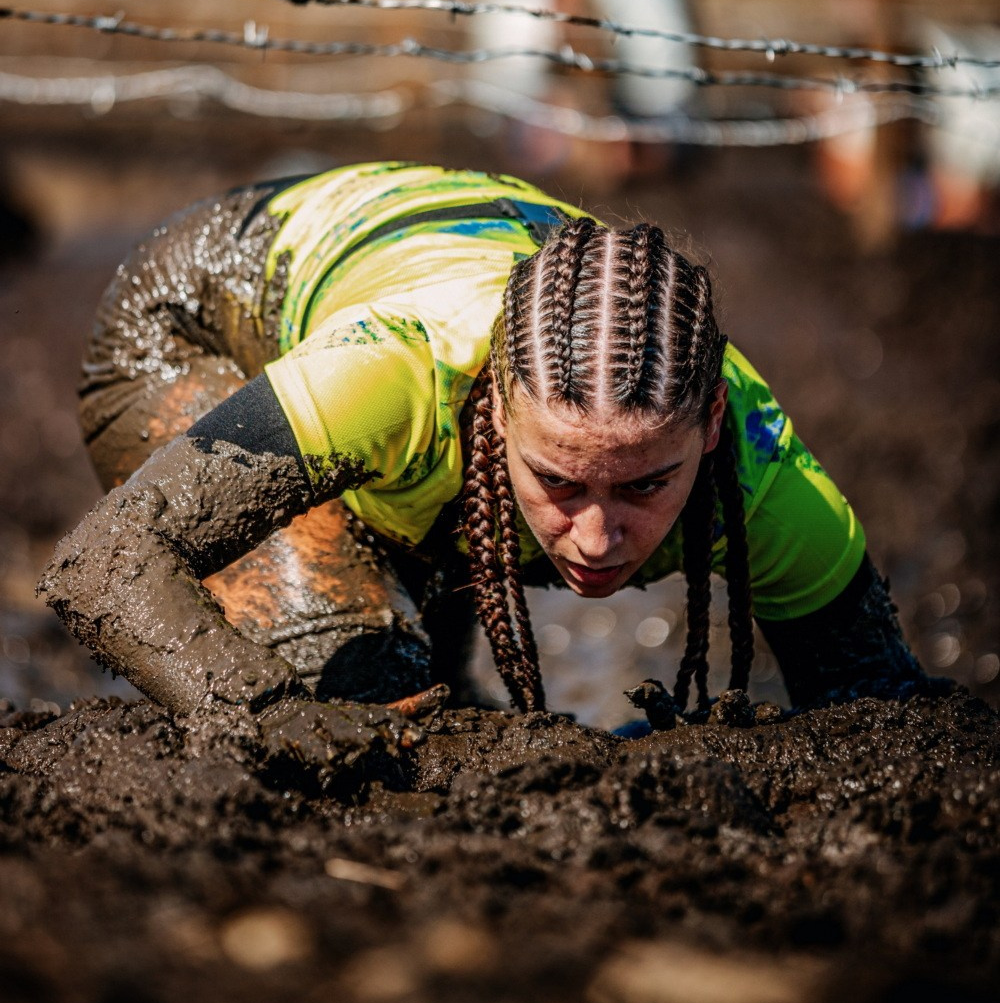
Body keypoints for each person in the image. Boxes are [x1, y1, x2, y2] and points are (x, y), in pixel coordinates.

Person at [39, 161, 935, 761]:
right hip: (204, 310)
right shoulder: (394, 377)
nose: (594, 538)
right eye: (558, 480)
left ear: (707, 427)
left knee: (439, 707)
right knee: (365, 703)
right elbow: (105, 563)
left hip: (445, 274)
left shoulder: (767, 480)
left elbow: (883, 718)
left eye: (645, 485)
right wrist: (262, 713)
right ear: (495, 408)